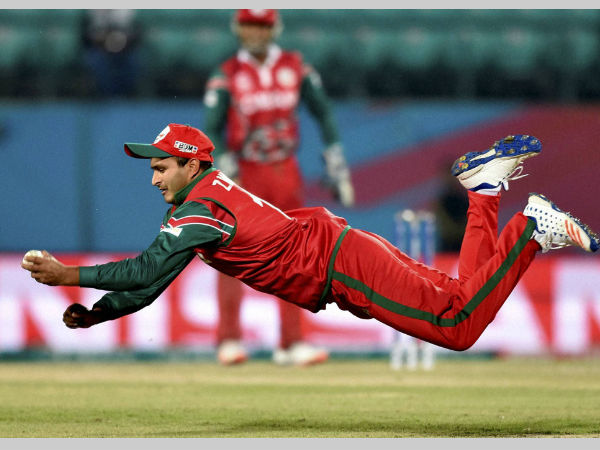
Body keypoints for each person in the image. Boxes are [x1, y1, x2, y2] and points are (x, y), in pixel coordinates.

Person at [22, 125, 599, 355]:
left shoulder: (200, 210)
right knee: (459, 296)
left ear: (191, 164)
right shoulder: (201, 205)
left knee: (458, 327)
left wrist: (67, 275)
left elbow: (146, 269)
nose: (153, 179)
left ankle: (529, 229)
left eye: (160, 167)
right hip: (343, 252)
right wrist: (98, 314)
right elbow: (153, 283)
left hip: (342, 266)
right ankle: (484, 190)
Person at [202, 9, 355, 366]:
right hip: (244, 173)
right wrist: (225, 166)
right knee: (229, 252)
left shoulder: (295, 66)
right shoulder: (227, 73)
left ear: (275, 28)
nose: (256, 33)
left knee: (293, 256)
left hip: (285, 169)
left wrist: (335, 159)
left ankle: (291, 342)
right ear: (238, 28)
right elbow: (212, 127)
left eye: (263, 26)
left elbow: (324, 112)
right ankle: (229, 339)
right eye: (250, 25)